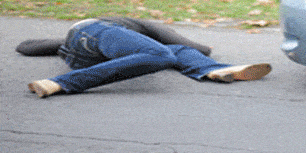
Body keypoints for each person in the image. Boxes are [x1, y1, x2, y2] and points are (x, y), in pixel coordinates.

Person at [17, 17, 272, 98]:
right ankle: (64, 82)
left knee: (167, 54)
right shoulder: (128, 25)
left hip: (85, 52)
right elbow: (193, 46)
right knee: (163, 53)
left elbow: (25, 46)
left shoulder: (76, 41)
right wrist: (202, 48)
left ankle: (210, 71)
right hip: (95, 31)